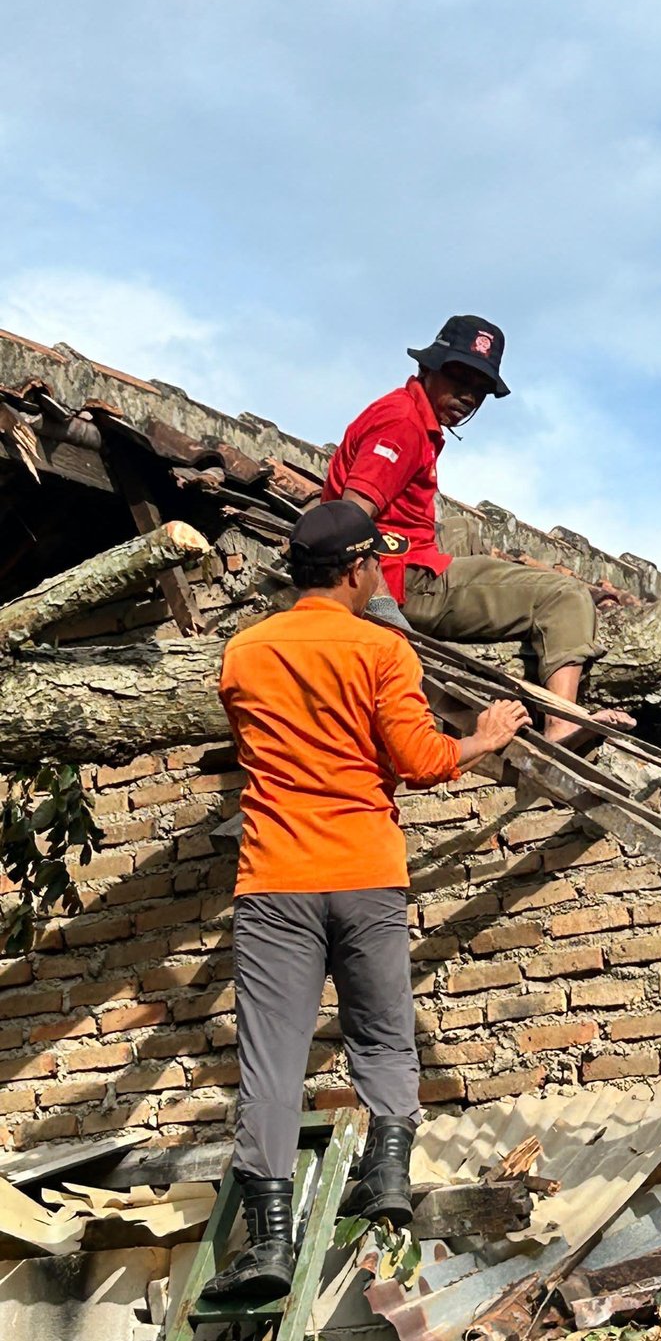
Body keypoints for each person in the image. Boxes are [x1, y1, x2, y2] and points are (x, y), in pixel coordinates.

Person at [204, 501, 531, 1301]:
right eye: (376, 564)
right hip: (365, 871)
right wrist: (484, 736)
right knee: (382, 1034)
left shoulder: (242, 654)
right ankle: (386, 1173)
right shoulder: (381, 648)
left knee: (271, 1066)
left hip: (276, 877)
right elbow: (419, 760)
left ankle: (270, 1245)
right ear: (355, 571)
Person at [323, 315, 629, 745]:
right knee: (564, 595)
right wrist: (378, 609)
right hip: (399, 579)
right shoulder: (402, 424)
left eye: (479, 389)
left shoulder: (406, 412)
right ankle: (562, 721)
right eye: (458, 378)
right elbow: (350, 516)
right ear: (427, 369)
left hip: (400, 562)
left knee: (462, 527)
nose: (467, 396)